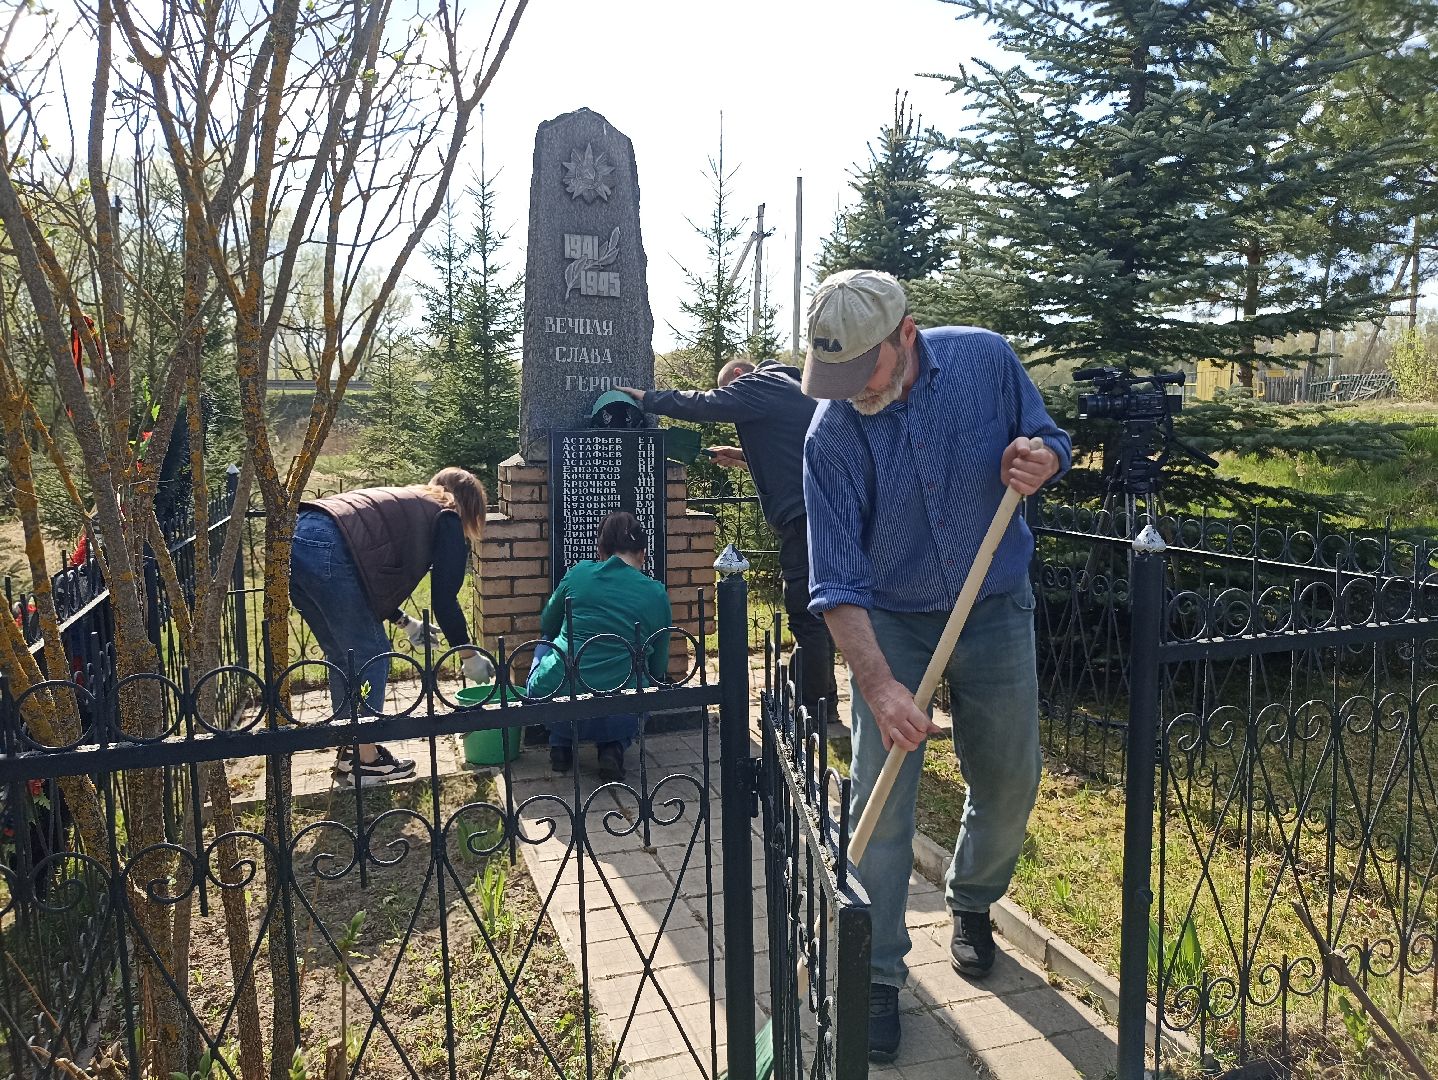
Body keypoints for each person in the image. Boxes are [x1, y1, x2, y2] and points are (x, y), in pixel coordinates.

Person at [800, 269, 1072, 1063]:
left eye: (865, 372)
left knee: (1010, 778)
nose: (853, 392)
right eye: (837, 378)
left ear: (906, 335)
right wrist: (879, 685)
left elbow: (1047, 436)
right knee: (881, 801)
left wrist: (1040, 460)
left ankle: (972, 901)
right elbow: (836, 582)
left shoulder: (987, 361)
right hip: (889, 618)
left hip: (992, 601)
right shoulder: (833, 434)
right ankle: (879, 976)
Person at [614, 363, 838, 721]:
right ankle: (822, 698)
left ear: (737, 375)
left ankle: (812, 711)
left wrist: (648, 399)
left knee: (805, 613)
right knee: (820, 608)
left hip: (803, 516)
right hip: (825, 511)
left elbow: (705, 404)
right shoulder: (793, 385)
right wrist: (743, 455)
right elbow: (793, 453)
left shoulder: (758, 382)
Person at [292, 467, 494, 786]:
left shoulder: (414, 502)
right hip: (329, 544)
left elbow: (369, 572)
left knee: (343, 656)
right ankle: (366, 760)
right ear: (470, 507)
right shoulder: (447, 516)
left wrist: (404, 621)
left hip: (300, 535)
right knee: (371, 655)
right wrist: (469, 656)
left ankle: (353, 751)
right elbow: (444, 599)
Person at [526, 511, 672, 781]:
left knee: (548, 640)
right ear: (642, 552)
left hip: (557, 701)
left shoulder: (578, 574)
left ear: (600, 548)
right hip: (622, 710)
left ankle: (559, 744)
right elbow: (659, 666)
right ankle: (613, 747)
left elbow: (547, 621)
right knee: (641, 677)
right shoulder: (656, 593)